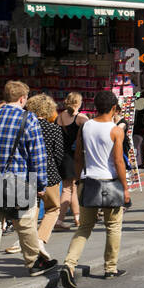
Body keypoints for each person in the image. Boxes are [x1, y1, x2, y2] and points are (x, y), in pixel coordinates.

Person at [0, 81, 58, 288]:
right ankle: (34, 261)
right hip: (18, 181)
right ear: (22, 99)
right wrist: (41, 183)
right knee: (26, 221)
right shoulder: (28, 119)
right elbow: (38, 156)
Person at [58, 90, 131, 288]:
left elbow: (79, 156)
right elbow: (118, 162)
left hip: (89, 181)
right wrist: (125, 188)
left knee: (84, 227)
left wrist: (79, 178)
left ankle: (69, 264)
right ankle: (110, 268)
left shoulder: (86, 126)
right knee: (113, 226)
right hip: (110, 182)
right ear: (114, 107)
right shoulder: (116, 130)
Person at [27, 94, 64, 254]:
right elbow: (59, 154)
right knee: (53, 208)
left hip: (28, 174)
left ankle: (30, 239)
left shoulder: (26, 128)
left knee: (32, 208)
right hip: (50, 174)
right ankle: (41, 239)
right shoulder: (54, 129)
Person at [55, 93, 87, 230]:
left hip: (62, 155)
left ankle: (77, 217)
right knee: (68, 189)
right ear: (79, 103)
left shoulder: (60, 117)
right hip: (74, 156)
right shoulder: (80, 118)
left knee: (71, 187)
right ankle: (59, 219)